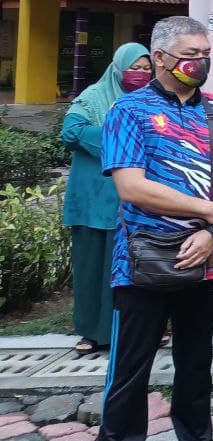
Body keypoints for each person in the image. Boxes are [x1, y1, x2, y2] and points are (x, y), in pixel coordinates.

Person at [97, 16, 213, 441]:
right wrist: (208, 210)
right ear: (160, 57)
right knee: (129, 374)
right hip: (141, 263)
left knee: (196, 367)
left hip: (204, 259)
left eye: (205, 54)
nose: (200, 62)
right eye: (190, 54)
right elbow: (131, 186)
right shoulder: (129, 110)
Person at [61, 42, 151, 356]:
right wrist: (120, 140)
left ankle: (130, 331)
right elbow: (71, 131)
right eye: (134, 68)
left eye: (146, 69)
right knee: (91, 268)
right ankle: (90, 333)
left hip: (133, 201)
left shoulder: (151, 100)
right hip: (91, 198)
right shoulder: (94, 96)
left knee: (131, 270)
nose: (140, 74)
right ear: (117, 68)